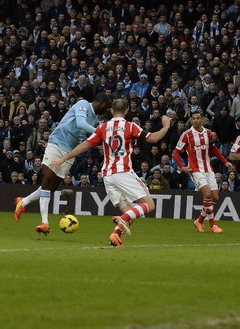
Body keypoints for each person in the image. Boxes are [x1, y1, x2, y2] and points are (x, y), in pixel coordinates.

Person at [49, 99, 172, 246]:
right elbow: (154, 138)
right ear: (126, 111)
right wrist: (166, 126)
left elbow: (84, 145)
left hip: (107, 175)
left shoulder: (103, 128)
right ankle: (121, 220)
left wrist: (63, 158)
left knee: (128, 212)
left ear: (112, 111)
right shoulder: (130, 126)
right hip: (123, 171)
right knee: (149, 205)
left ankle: (115, 236)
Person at [14, 93, 112, 235]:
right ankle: (45, 223)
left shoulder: (95, 119)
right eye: (107, 107)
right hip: (56, 143)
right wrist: (101, 132)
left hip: (69, 153)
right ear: (102, 103)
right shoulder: (83, 104)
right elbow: (80, 123)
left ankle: (22, 202)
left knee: (51, 187)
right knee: (47, 182)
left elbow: (85, 134)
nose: (105, 111)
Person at [173, 111, 234, 233]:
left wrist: (225, 162)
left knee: (215, 198)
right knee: (207, 195)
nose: (195, 120)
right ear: (191, 120)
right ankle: (213, 225)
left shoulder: (208, 133)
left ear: (202, 119)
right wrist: (182, 166)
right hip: (195, 169)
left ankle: (199, 221)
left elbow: (213, 148)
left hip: (208, 169)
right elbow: (176, 152)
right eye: (193, 118)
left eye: (198, 118)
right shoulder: (187, 135)